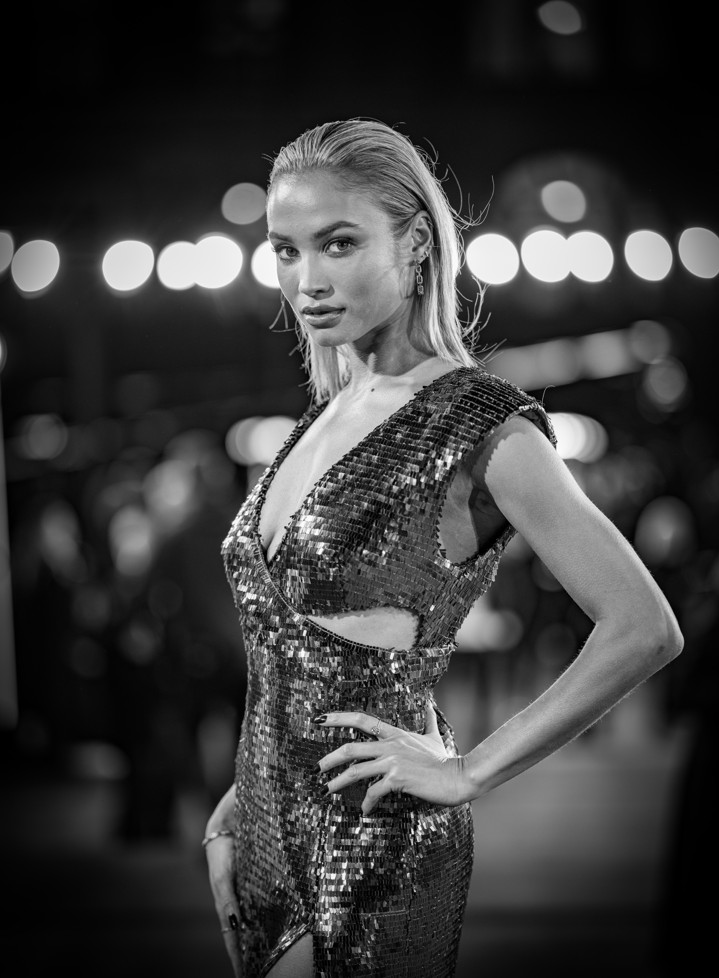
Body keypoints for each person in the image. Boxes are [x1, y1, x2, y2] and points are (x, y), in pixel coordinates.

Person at [202, 117, 683, 978]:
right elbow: (291, 650)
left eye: (339, 243)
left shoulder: (476, 423)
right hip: (266, 832)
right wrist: (255, 786)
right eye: (285, 251)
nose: (308, 280)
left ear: (417, 242)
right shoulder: (321, 419)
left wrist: (470, 772)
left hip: (375, 839)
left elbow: (643, 627)